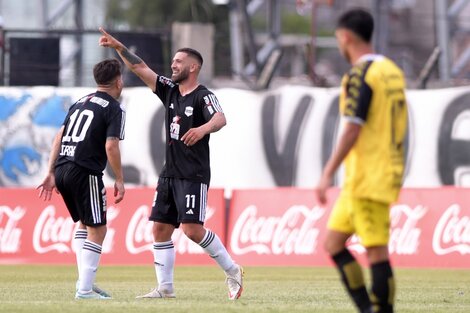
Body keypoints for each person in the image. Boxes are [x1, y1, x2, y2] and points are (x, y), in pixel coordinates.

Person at [98, 28, 243, 300]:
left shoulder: (203, 95)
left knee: (192, 230)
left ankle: (233, 270)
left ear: (193, 67)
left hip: (193, 173)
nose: (173, 65)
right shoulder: (170, 91)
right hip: (169, 174)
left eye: (179, 61)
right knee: (160, 228)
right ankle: (165, 288)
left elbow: (220, 118)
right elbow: (141, 68)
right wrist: (118, 46)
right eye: (173, 61)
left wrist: (202, 129)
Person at [316, 9, 407, 313]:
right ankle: (368, 309)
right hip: (374, 173)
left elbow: (353, 127)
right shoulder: (391, 70)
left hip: (368, 175)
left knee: (376, 250)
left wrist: (327, 171)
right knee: (333, 243)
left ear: (345, 36)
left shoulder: (360, 73)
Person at [37, 58, 126, 300]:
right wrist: (119, 179)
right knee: (98, 229)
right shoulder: (113, 108)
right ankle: (85, 289)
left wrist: (51, 171)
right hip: (84, 170)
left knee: (85, 225)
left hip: (63, 168)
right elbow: (111, 145)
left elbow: (59, 135)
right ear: (119, 81)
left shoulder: (80, 102)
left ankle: (83, 282)